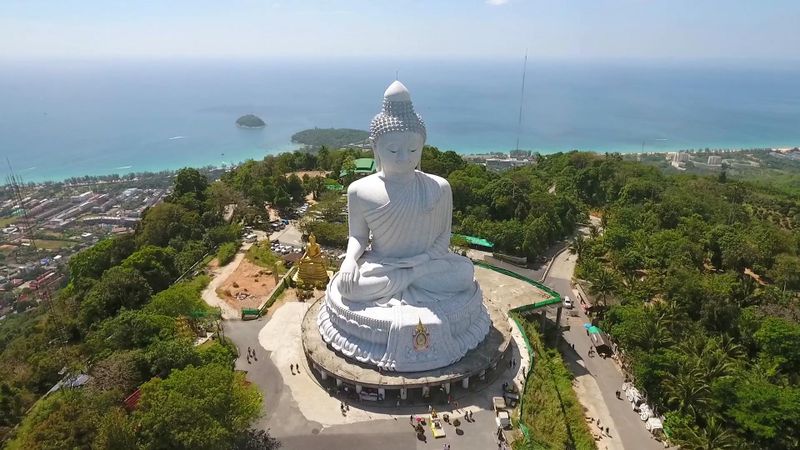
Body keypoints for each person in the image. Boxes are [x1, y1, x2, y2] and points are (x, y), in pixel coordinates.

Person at [332, 81, 475, 304]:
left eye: (412, 150)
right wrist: (350, 260)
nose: (403, 158)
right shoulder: (359, 191)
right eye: (393, 150)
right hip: (383, 263)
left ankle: (408, 279)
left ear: (422, 147)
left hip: (424, 265)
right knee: (347, 285)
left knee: (465, 273)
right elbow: (358, 236)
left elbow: (443, 238)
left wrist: (419, 262)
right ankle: (408, 280)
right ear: (374, 146)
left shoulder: (440, 187)